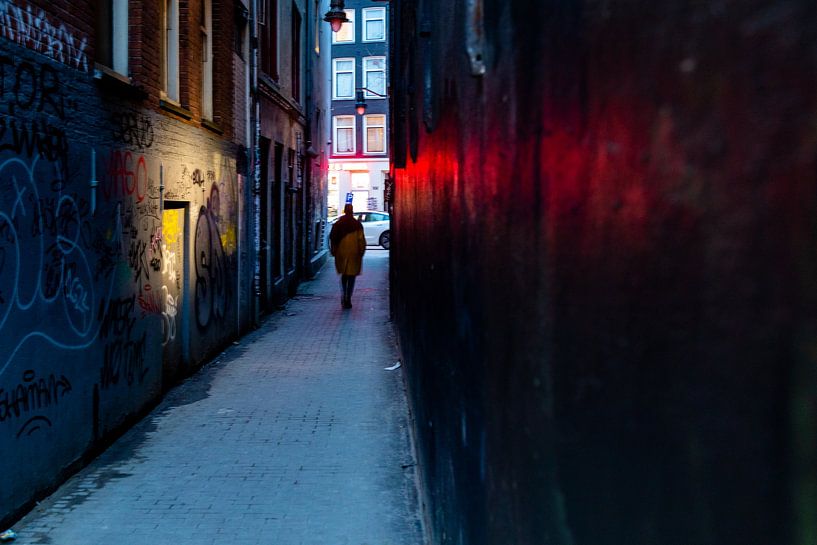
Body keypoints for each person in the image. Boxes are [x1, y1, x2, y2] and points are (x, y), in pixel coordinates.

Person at [329, 204, 366, 309]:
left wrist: (334, 250)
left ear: (344, 211)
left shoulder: (338, 224)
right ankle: (348, 297)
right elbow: (361, 240)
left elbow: (333, 238)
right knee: (352, 276)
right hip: (354, 253)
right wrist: (361, 252)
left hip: (341, 253)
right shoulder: (357, 224)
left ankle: (344, 294)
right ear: (352, 211)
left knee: (344, 275)